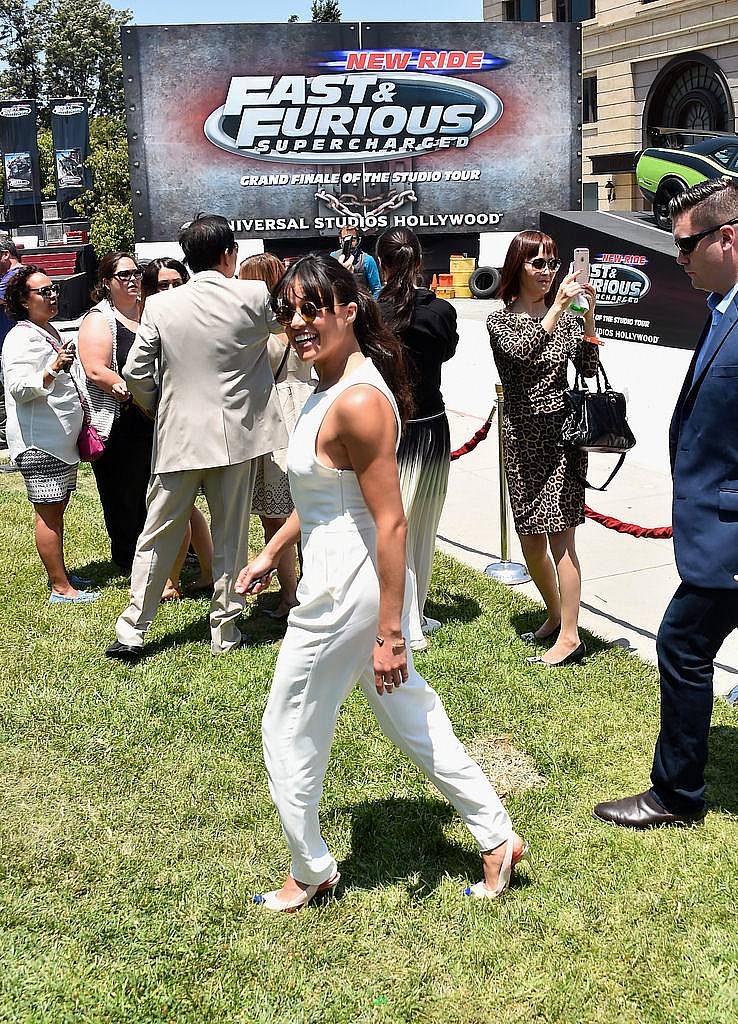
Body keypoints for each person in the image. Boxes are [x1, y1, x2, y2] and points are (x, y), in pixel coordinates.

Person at [236, 254, 527, 911]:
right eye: (288, 311)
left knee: (287, 727)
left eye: (313, 308)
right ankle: (496, 835)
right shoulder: (330, 383)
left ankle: (309, 869)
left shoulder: (360, 399)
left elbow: (390, 522)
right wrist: (270, 551)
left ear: (348, 308)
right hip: (344, 573)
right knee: (411, 717)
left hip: (345, 591)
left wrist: (391, 632)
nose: (299, 322)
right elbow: (326, 500)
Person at [594, 177, 738, 828]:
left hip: (730, 539)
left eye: (685, 246)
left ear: (727, 239)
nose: (676, 259)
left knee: (682, 642)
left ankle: (676, 795)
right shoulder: (722, 307)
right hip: (715, 525)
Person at [106, 214, 287, 661]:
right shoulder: (254, 294)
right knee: (231, 535)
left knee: (156, 533)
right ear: (230, 253)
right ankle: (225, 629)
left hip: (177, 436)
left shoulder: (161, 305)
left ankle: (133, 628)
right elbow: (287, 333)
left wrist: (154, 404)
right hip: (237, 438)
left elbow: (134, 372)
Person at [487, 231, 599, 668]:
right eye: (539, 263)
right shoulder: (501, 320)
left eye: (553, 263)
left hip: (561, 436)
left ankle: (571, 636)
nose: (549, 271)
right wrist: (556, 311)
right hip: (520, 436)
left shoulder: (567, 315)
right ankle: (556, 614)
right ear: (518, 268)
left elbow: (588, 367)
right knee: (530, 538)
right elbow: (522, 352)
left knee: (562, 540)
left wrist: (588, 319)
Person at [376, 226, 458, 651]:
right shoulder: (440, 311)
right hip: (433, 426)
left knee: (396, 527)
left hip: (392, 429)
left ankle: (411, 617)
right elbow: (447, 352)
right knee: (422, 526)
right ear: (419, 261)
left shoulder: (372, 313)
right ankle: (415, 614)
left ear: (381, 263)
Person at [1, 265, 101, 604]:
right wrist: (51, 369)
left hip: (58, 443)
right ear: (23, 301)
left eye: (53, 288)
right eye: (43, 291)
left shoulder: (46, 330)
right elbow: (17, 388)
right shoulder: (20, 337)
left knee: (56, 509)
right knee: (49, 511)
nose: (52, 294)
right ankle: (60, 588)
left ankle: (60, 575)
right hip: (40, 443)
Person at [239, 252, 314, 619]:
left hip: (275, 414)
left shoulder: (256, 327)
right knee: (312, 509)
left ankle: (290, 595)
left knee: (276, 515)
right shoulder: (298, 319)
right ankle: (313, 586)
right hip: (308, 403)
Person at [139, 257, 214, 599]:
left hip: (182, 423)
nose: (170, 290)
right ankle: (180, 576)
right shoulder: (152, 316)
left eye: (175, 282)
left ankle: (176, 579)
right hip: (154, 419)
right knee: (176, 505)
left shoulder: (199, 315)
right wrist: (154, 404)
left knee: (176, 505)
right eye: (161, 285)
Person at [78, 252, 150, 572]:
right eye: (124, 275)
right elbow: (95, 369)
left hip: (153, 416)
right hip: (120, 419)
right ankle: (127, 558)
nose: (133, 279)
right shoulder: (99, 318)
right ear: (106, 282)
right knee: (124, 493)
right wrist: (133, 395)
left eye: (136, 273)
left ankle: (162, 552)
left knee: (153, 490)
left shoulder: (148, 312)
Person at [0, 235, 24, 470]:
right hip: (12, 346)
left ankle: (19, 454)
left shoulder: (12, 278)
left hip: (13, 349)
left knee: (14, 402)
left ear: (6, 255)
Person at [331, 226, 381, 297]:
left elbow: (376, 288)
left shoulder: (367, 260)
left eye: (353, 239)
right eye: (345, 239)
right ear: (340, 240)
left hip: (361, 302)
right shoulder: (333, 257)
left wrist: (372, 306)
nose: (349, 243)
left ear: (359, 240)